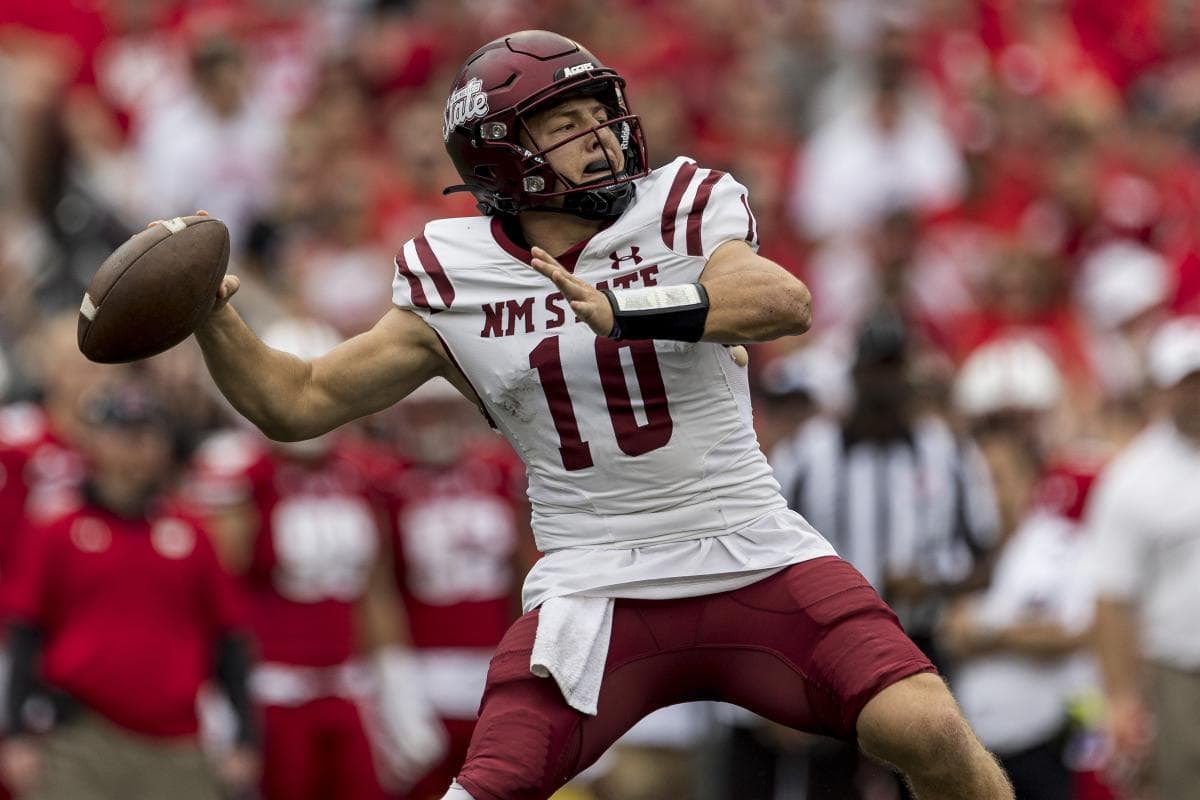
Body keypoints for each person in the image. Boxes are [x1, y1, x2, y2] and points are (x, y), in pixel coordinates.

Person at [183, 29, 1013, 800]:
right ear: (501, 156)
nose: (603, 134)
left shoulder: (682, 202)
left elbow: (781, 301)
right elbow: (294, 402)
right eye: (566, 121)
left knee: (931, 729)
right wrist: (211, 319)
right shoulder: (454, 271)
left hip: (748, 544)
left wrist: (628, 309)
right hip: (594, 580)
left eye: (600, 112)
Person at [188, 317, 446, 800]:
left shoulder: (359, 472)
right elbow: (215, 595)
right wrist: (216, 695)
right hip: (271, 690)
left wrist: (398, 689)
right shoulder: (243, 472)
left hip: (347, 687)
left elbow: (375, 591)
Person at [0, 379, 259, 800]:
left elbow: (229, 637)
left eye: (146, 434)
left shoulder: (192, 533)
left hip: (177, 741)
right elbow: (25, 632)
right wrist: (14, 732)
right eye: (121, 433)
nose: (134, 448)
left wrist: (247, 737)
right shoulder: (57, 529)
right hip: (82, 738)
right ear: (95, 442)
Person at [1088, 315, 1200, 800]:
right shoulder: (1133, 478)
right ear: (1159, 391)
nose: (1195, 395)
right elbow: (1113, 598)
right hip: (1178, 673)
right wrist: (1123, 700)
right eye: (1185, 385)